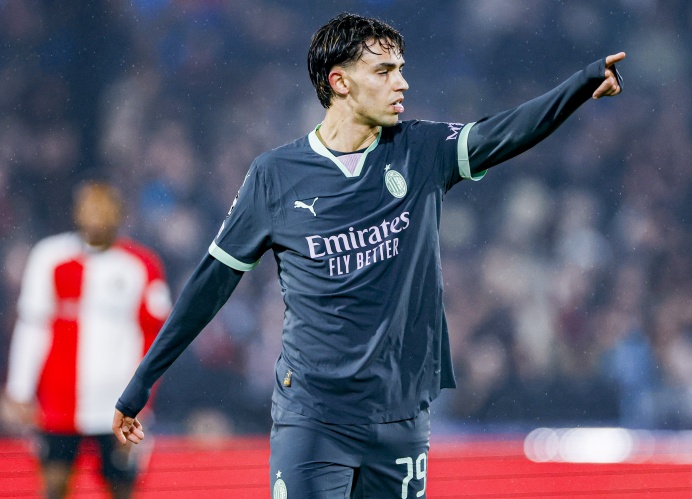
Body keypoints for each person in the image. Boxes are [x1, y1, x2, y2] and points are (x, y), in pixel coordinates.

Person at [113, 12, 624, 498]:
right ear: (339, 82)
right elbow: (210, 284)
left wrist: (580, 85)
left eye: (401, 69)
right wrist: (142, 382)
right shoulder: (275, 176)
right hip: (312, 415)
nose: (402, 83)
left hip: (399, 416)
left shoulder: (421, 150)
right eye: (384, 71)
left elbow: (506, 131)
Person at [5, 182, 171, 499]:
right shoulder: (49, 257)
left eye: (104, 208)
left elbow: (156, 339)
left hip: (119, 403)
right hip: (58, 401)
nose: (97, 215)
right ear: (76, 212)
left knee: (122, 488)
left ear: (119, 214)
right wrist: (19, 389)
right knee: (54, 485)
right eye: (90, 207)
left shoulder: (142, 265)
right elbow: (32, 325)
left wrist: (143, 400)